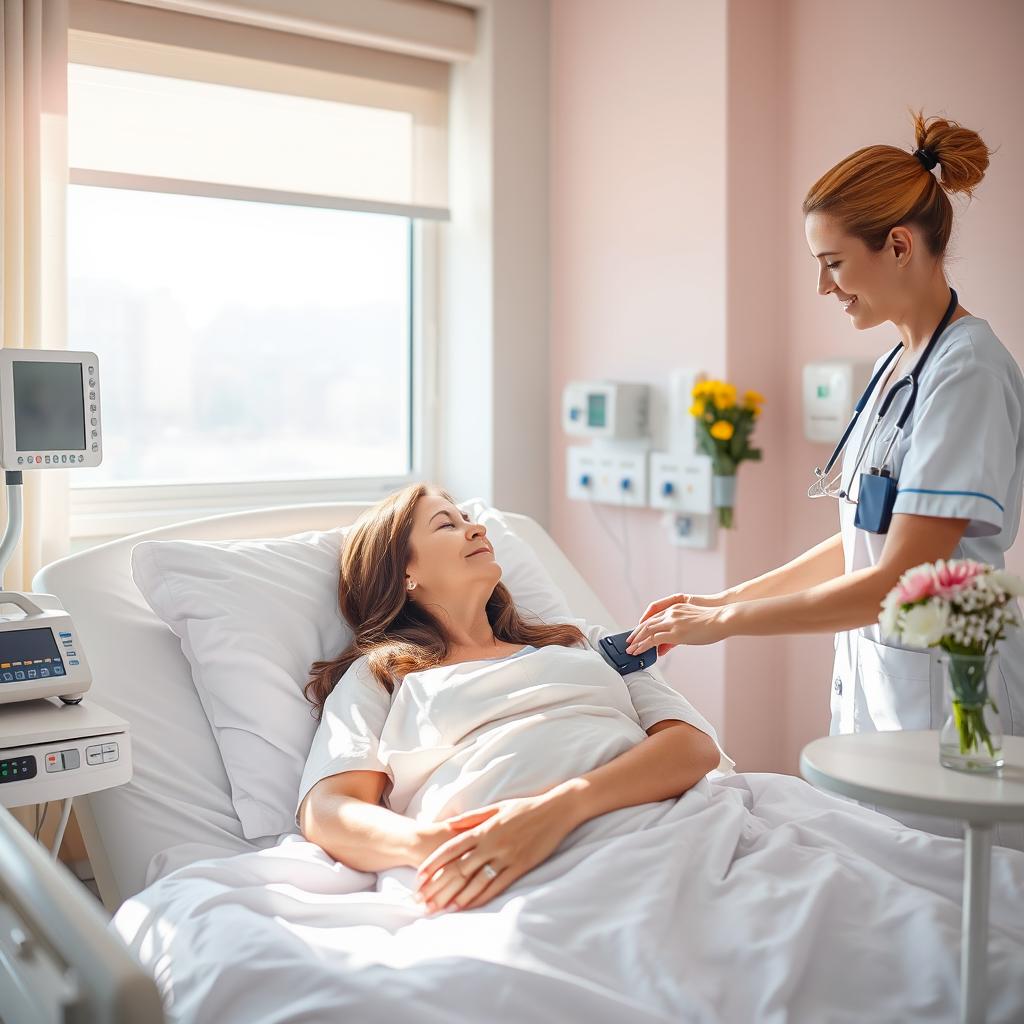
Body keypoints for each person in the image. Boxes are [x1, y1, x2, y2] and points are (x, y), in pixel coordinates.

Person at [627, 113, 1024, 791]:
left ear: (899, 245)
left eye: (835, 264)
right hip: (887, 691)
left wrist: (724, 622)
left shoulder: (967, 376)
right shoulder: (897, 365)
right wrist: (721, 596)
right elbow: (865, 539)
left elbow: (898, 581)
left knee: (945, 889)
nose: (825, 287)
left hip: (949, 704)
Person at [297, 484, 723, 913]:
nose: (476, 528)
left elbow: (693, 746)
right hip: (498, 863)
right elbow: (328, 809)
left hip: (660, 827)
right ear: (405, 574)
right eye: (447, 523)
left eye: (468, 518)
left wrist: (557, 811)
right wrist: (434, 843)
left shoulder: (582, 643)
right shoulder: (381, 676)